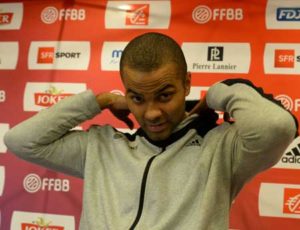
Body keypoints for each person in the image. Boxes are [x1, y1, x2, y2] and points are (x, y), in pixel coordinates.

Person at [4, 32, 298, 230]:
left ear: (186, 84)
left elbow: (276, 126)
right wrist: (98, 101)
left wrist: (217, 94)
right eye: (138, 98)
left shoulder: (222, 148)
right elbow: (20, 141)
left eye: (165, 95)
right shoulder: (101, 147)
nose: (152, 112)